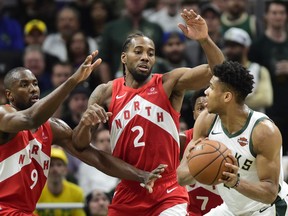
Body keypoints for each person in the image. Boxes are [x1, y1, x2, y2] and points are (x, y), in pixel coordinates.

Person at [73, 9, 225, 216]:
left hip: (167, 190)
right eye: (139, 51)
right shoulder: (105, 91)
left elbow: (218, 71)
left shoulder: (169, 83)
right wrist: (85, 123)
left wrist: (205, 39)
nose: (145, 57)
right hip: (129, 189)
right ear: (124, 57)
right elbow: (80, 144)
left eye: (151, 53)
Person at [0, 50, 165, 215]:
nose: (33, 89)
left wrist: (141, 175)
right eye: (24, 85)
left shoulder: (53, 128)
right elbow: (30, 119)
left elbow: (97, 158)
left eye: (34, 83)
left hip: (24, 211)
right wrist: (73, 81)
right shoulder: (3, 116)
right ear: (9, 95)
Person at [177, 61, 288, 215]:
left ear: (227, 96)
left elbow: (270, 194)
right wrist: (202, 164)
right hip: (232, 209)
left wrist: (235, 182)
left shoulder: (263, 132)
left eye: (212, 87)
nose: (206, 92)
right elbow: (181, 178)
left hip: (266, 209)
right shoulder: (206, 120)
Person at [248, 0, 288, 156]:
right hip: (269, 108)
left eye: (281, 13)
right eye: (274, 13)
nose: (278, 17)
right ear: (266, 16)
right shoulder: (258, 46)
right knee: (273, 154)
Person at [179, 89, 223, 215]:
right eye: (200, 108)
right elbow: (178, 178)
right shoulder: (181, 141)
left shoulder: (230, 139)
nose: (205, 113)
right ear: (193, 114)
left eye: (208, 107)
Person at [223, 27, 273, 112]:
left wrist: (232, 101)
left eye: (234, 46)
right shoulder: (222, 70)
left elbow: (266, 99)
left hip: (254, 120)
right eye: (227, 45)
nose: (229, 50)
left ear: (245, 48)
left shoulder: (259, 70)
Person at [35, 146, 86, 216]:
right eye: (51, 165)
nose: (55, 169)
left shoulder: (77, 193)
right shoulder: (36, 194)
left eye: (59, 165)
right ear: (45, 169)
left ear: (65, 170)